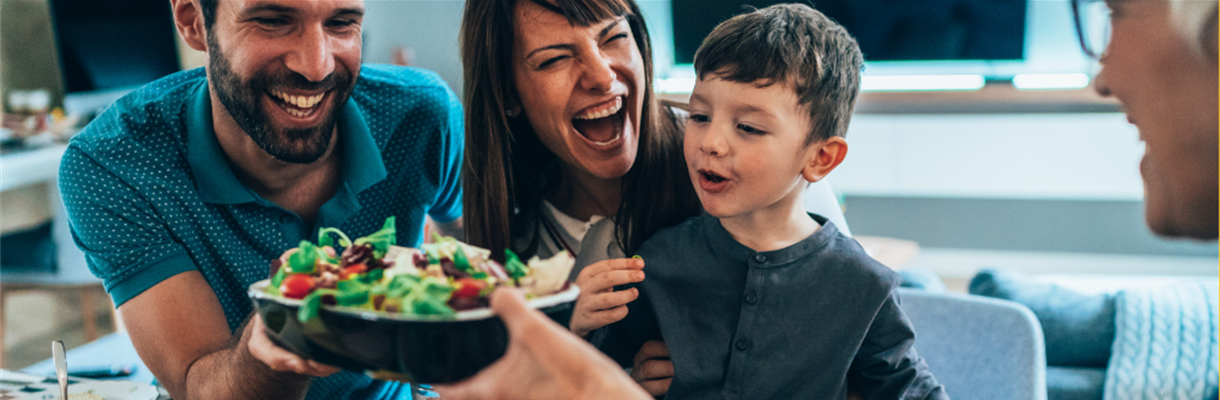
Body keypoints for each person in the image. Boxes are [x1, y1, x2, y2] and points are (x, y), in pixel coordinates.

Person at [438, 0, 1217, 398]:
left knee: (1017, 318)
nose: (603, 76)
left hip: (883, 293)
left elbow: (889, 370)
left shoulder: (839, 260)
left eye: (614, 37)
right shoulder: (569, 254)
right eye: (552, 58)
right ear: (508, 93)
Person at [57, 0, 464, 398]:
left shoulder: (424, 116)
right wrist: (284, 329)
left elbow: (487, 263)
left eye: (341, 23)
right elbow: (200, 387)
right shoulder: (115, 165)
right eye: (272, 20)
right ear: (193, 21)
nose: (317, 65)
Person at [582, 4, 945, 398]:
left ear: (820, 158)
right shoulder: (659, 260)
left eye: (749, 128)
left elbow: (911, 389)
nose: (710, 142)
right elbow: (595, 373)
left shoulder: (863, 283)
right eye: (700, 117)